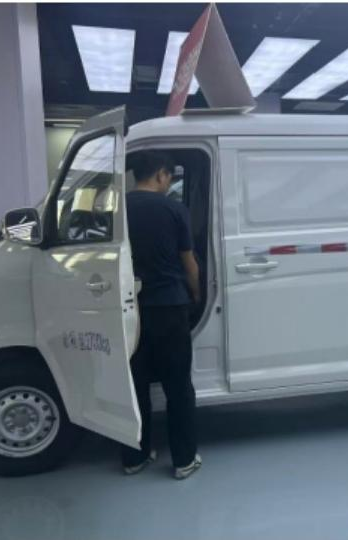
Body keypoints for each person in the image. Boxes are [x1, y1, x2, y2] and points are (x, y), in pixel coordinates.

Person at [121, 150, 202, 480]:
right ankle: (183, 460)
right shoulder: (174, 209)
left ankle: (135, 457)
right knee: (178, 385)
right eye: (169, 177)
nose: (169, 183)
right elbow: (189, 262)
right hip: (170, 306)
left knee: (135, 384)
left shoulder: (119, 209)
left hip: (130, 309)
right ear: (161, 175)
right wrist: (195, 292)